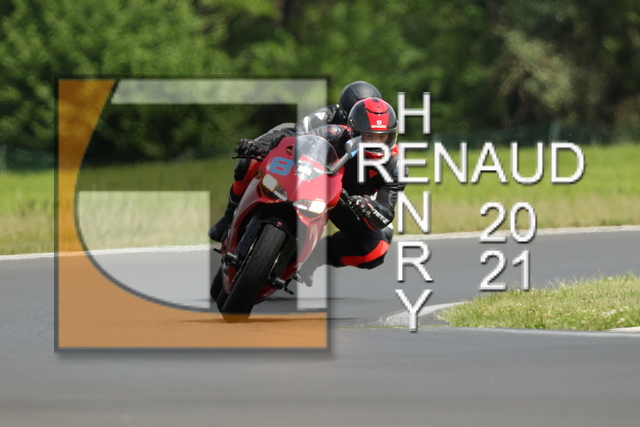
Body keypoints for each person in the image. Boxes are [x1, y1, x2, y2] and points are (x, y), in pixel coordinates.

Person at [208, 81, 382, 242]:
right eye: (357, 113)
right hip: (304, 163)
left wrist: (365, 203)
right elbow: (296, 133)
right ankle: (230, 214)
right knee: (250, 160)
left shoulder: (378, 144)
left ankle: (312, 253)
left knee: (378, 238)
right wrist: (259, 146)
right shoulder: (327, 115)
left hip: (337, 184)